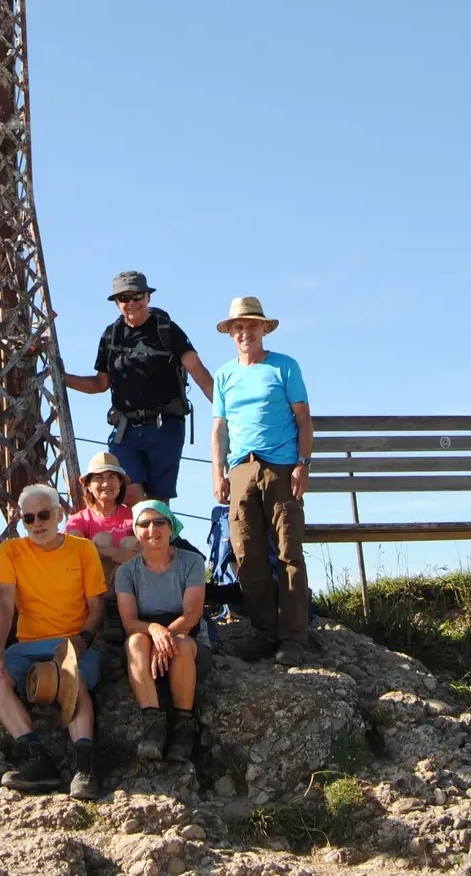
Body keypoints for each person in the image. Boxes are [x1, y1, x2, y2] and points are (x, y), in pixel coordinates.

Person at [0, 484, 107, 800]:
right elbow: (5, 602)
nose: (37, 523)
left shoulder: (83, 549)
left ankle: (85, 768)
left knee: (72, 680)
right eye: (29, 518)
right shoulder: (12, 551)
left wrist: (84, 639)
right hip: (27, 645)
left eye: (44, 514)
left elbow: (97, 605)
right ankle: (38, 759)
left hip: (73, 642)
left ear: (59, 515)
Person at [210, 297, 314, 667]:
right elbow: (219, 427)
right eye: (238, 327)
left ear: (263, 329)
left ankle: (293, 636)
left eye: (251, 325)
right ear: (231, 333)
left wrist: (302, 464)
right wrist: (217, 472)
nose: (244, 332)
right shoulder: (224, 375)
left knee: (288, 552)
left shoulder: (285, 366)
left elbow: (303, 418)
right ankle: (265, 631)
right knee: (247, 554)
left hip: (282, 466)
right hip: (241, 469)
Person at [64, 271, 215, 505]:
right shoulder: (111, 335)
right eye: (124, 298)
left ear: (148, 297)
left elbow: (199, 372)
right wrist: (62, 378)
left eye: (137, 296)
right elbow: (100, 383)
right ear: (116, 303)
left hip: (165, 426)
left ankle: (160, 541)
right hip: (125, 430)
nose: (132, 303)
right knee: (129, 495)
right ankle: (139, 540)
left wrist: (226, 411)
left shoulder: (167, 329)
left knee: (158, 501)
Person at [114, 500, 208, 763]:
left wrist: (164, 638)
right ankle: (152, 724)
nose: (151, 529)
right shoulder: (126, 573)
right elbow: (130, 621)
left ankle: (183, 727)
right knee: (135, 642)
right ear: (135, 531)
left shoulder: (192, 563)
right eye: (143, 524)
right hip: (144, 644)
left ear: (171, 527)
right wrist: (155, 630)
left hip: (186, 638)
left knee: (181, 644)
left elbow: (191, 614)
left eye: (159, 522)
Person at [64, 452, 137, 631]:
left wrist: (125, 563)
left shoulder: (134, 515)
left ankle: (123, 610)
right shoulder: (78, 519)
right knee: (101, 540)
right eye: (98, 478)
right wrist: (117, 554)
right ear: (88, 485)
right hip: (94, 586)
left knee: (132, 542)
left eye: (112, 477)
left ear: (120, 483)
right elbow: (76, 550)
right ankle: (105, 610)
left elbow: (151, 549)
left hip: (131, 583)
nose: (106, 483)